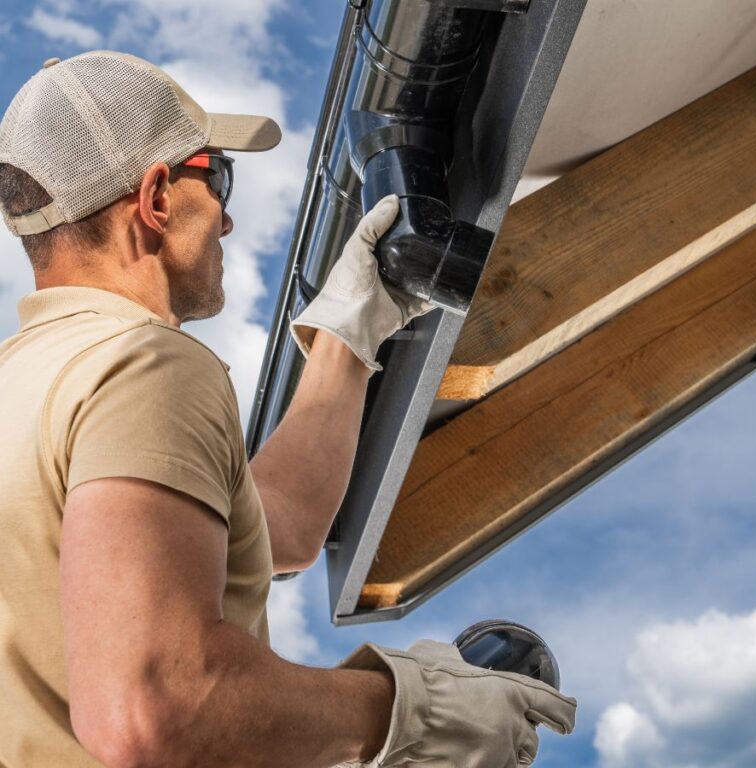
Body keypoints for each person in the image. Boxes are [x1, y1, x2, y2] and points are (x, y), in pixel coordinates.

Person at [0, 50, 575, 768]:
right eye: (218, 178)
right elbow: (155, 708)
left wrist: (347, 333)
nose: (230, 222)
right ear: (155, 199)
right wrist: (426, 712)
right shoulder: (143, 366)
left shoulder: (29, 388)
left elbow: (277, 528)